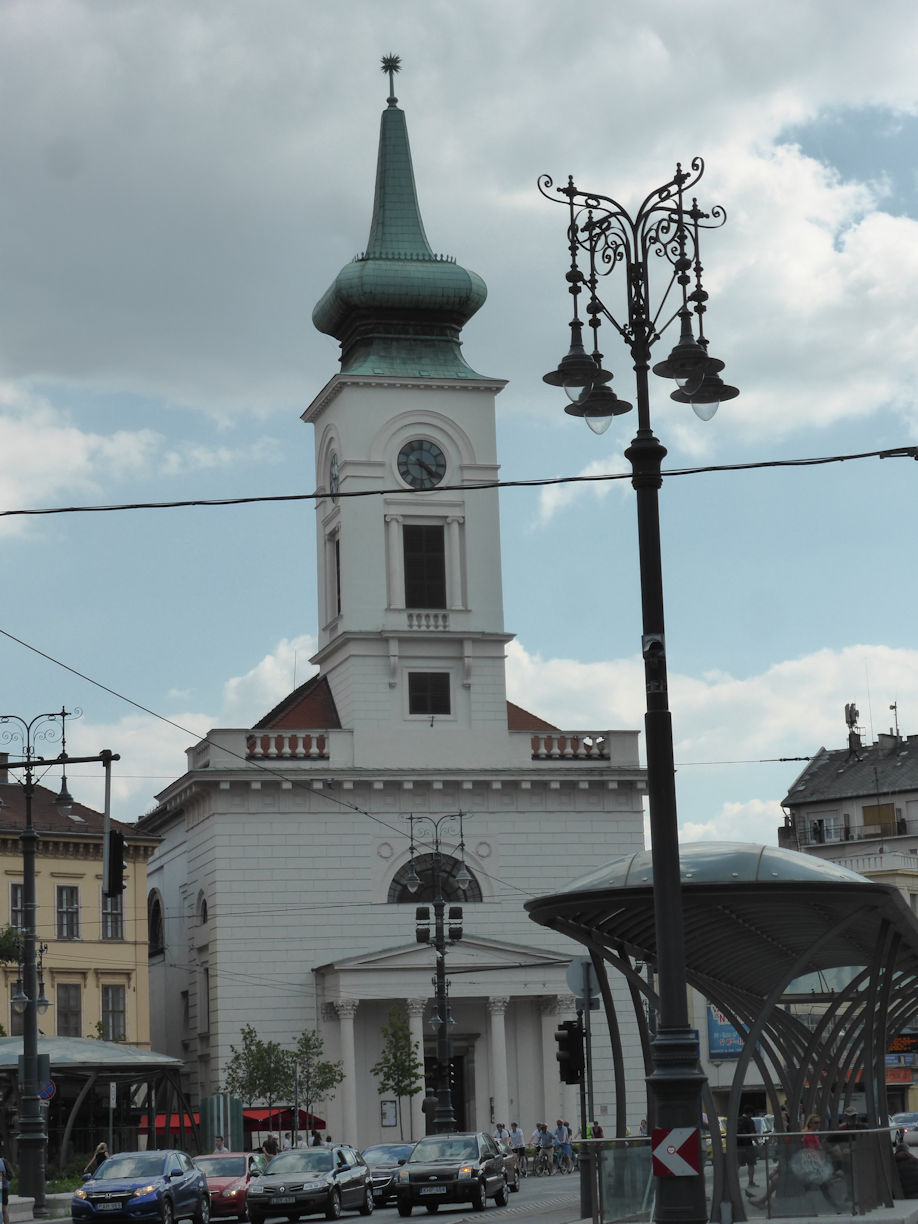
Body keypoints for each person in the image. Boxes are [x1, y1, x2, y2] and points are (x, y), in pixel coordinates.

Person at [736, 1106, 758, 1188]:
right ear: (750, 1113)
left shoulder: (737, 1120)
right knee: (751, 1164)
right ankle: (751, 1182)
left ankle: (733, 1182)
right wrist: (758, 1144)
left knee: (737, 1164)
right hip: (748, 1145)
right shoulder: (750, 1121)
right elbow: (753, 1135)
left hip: (738, 1145)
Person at [0, 1137, 11, 1224]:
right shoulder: (3, 1161)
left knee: (3, 1210)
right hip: (5, 1188)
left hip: (1, 1189)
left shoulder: (0, 1162)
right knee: (4, 1209)